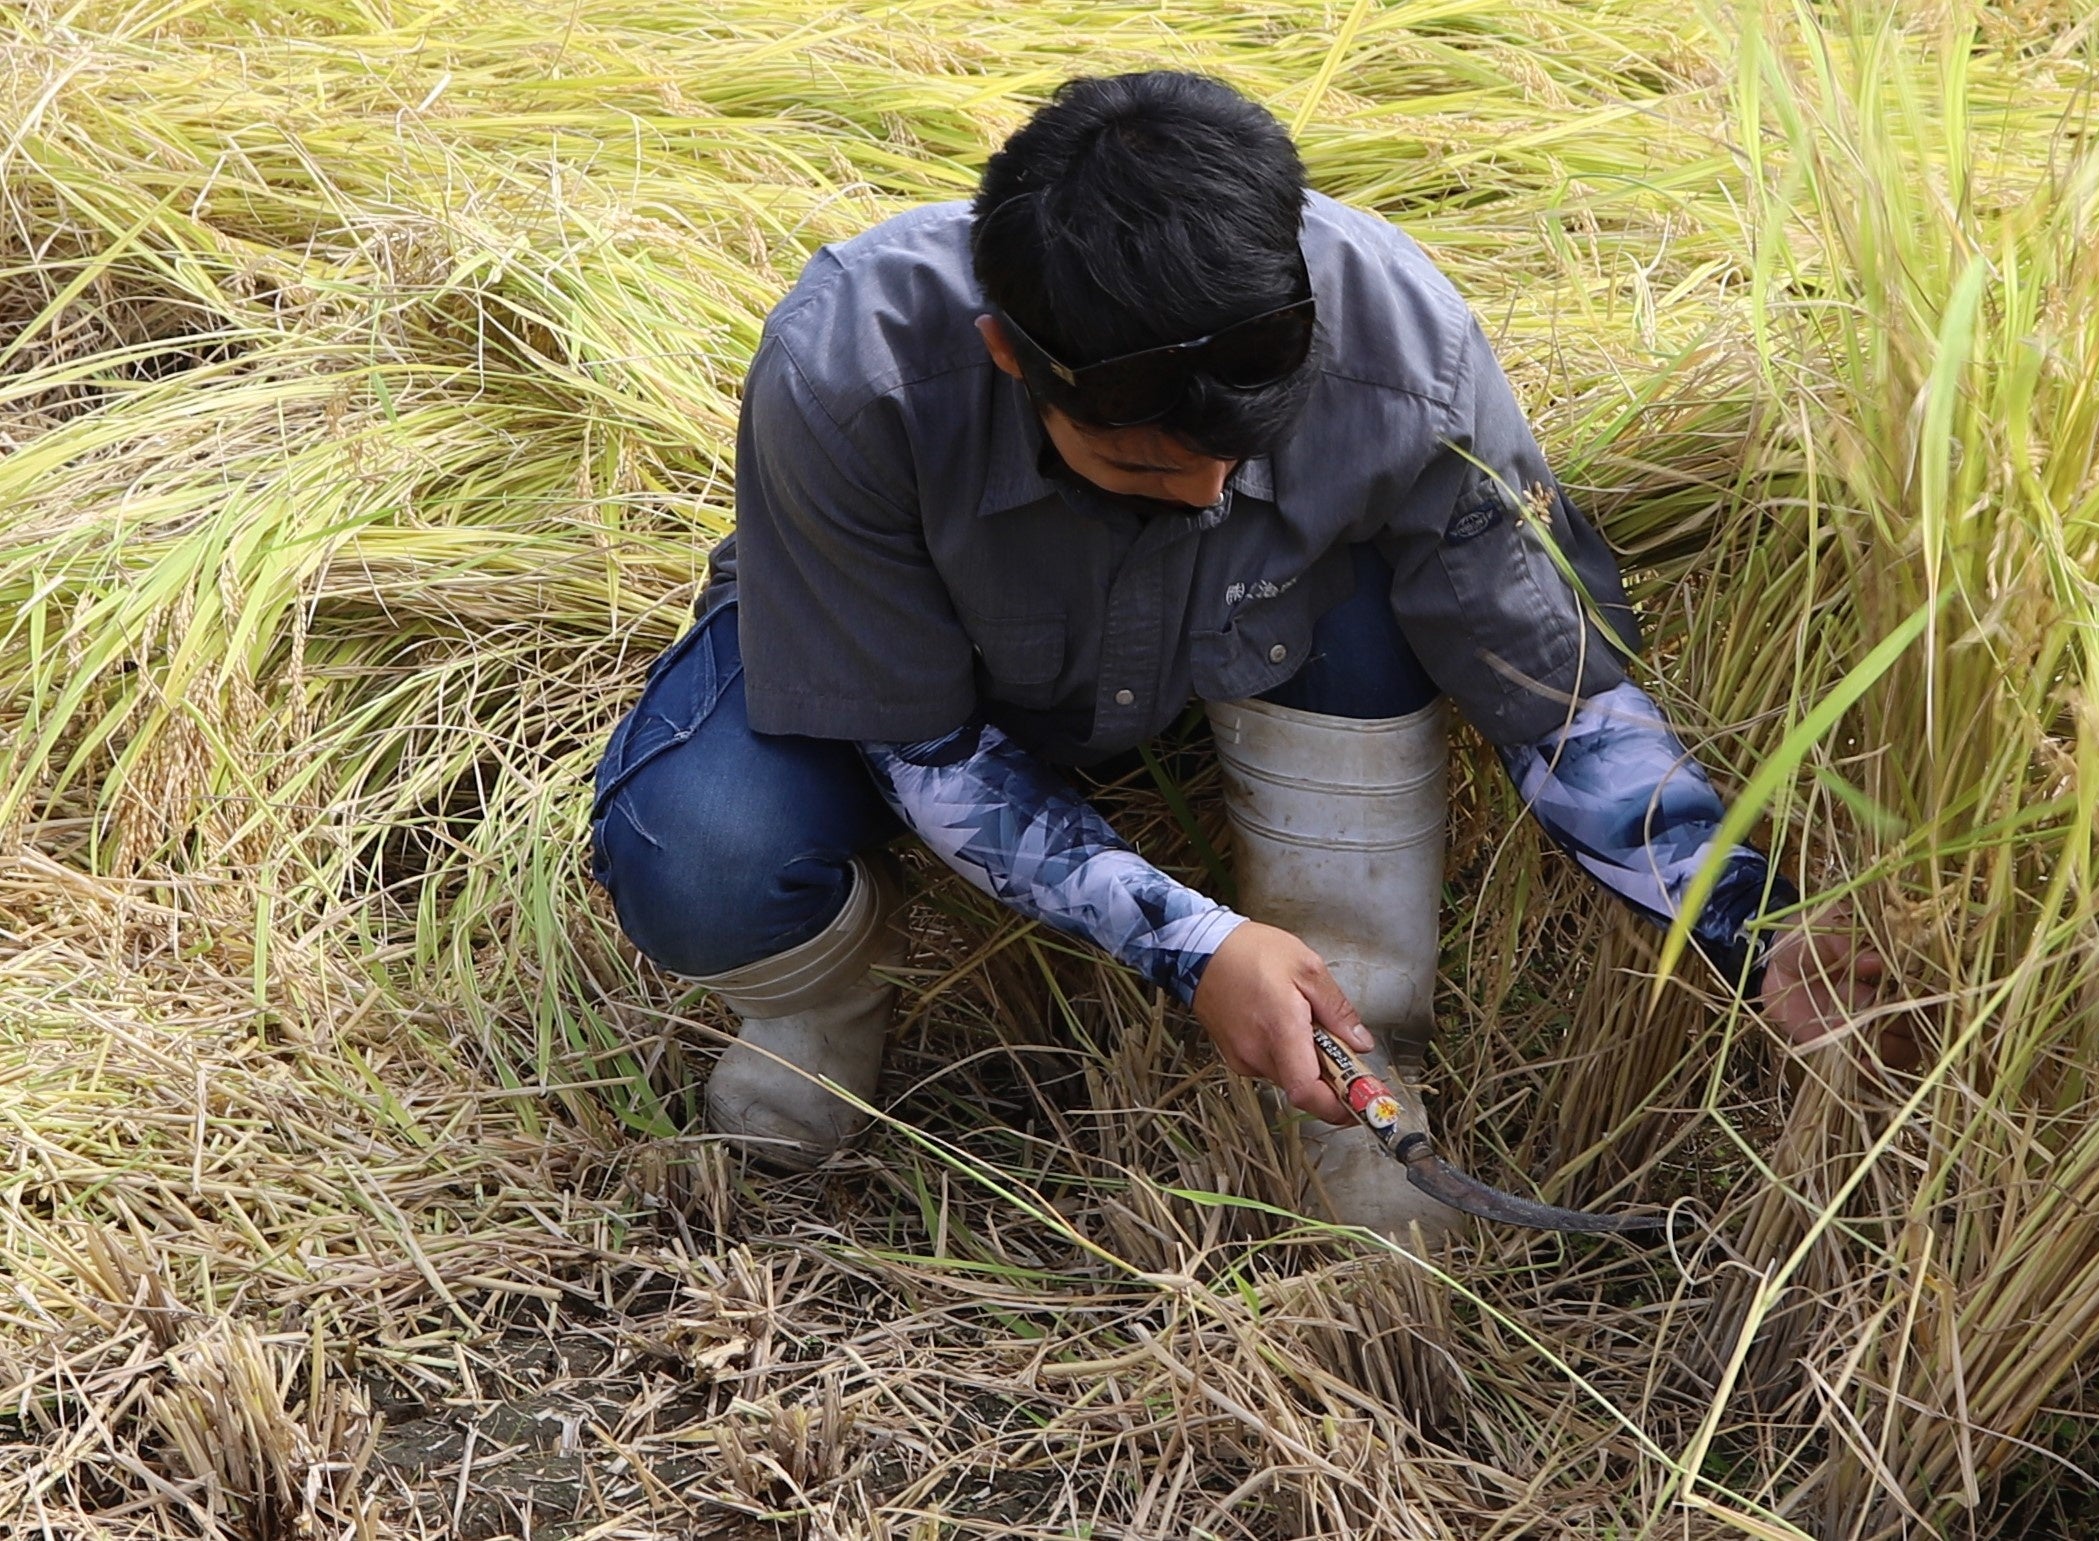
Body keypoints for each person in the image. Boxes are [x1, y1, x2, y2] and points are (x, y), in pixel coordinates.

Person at [588, 71, 1887, 1238]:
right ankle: (819, 1010)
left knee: (1388, 588)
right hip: (922, 680)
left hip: (1244, 653)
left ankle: (1359, 1049)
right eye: (1149, 463)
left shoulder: (1402, 338)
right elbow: (923, 753)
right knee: (698, 851)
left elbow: (1558, 700)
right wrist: (1194, 943)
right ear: (1007, 355)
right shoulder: (847, 363)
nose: (1210, 491)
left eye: (1244, 456)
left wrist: (1751, 923)